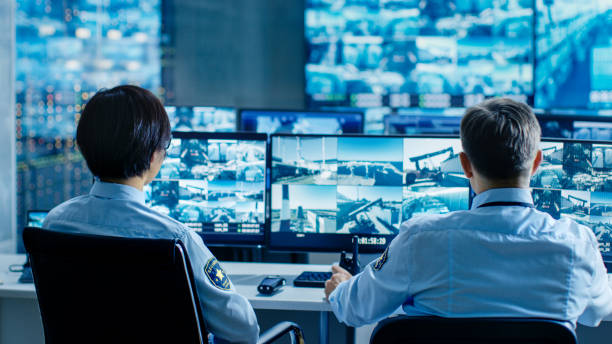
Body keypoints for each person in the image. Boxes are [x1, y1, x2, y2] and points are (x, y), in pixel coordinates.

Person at [324, 97, 612, 328]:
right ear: (537, 163)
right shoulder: (577, 243)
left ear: (465, 165)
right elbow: (595, 313)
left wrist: (342, 288)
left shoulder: (420, 240)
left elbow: (355, 310)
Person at [42, 85, 259, 344]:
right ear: (154, 153)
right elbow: (244, 331)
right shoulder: (177, 239)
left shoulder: (55, 224)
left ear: (83, 148)